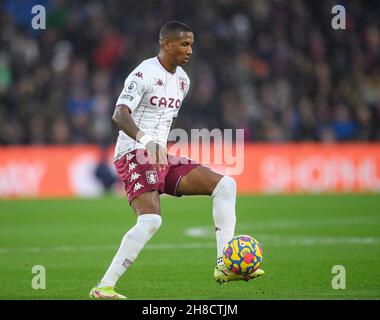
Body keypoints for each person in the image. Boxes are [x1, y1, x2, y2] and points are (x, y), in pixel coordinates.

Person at [89, 21, 264, 299]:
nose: (190, 50)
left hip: (160, 156)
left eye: (192, 44)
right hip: (133, 153)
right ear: (166, 44)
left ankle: (224, 264)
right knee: (150, 221)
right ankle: (104, 287)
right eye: (184, 44)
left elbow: (163, 122)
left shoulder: (183, 80)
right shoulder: (143, 73)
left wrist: (160, 150)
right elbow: (119, 115)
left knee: (225, 185)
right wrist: (147, 142)